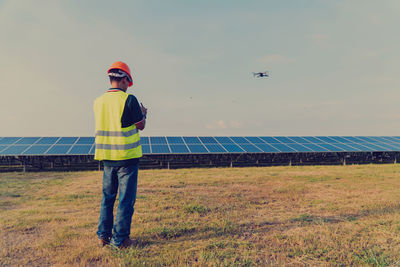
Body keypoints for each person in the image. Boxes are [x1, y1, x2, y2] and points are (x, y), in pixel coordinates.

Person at [94, 61, 147, 248]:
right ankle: (121, 240)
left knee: (107, 198)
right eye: (128, 82)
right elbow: (140, 125)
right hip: (127, 157)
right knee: (125, 200)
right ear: (125, 79)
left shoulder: (98, 101)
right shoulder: (129, 99)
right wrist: (143, 114)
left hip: (107, 158)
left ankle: (103, 237)